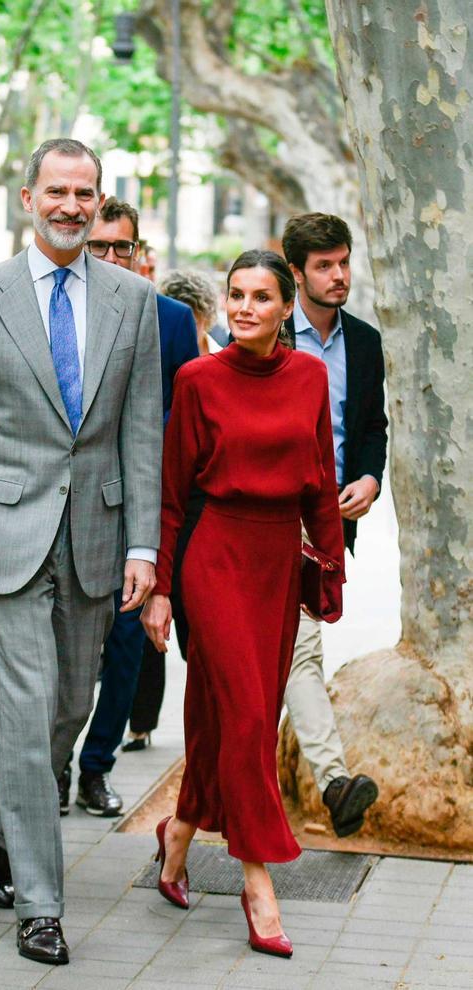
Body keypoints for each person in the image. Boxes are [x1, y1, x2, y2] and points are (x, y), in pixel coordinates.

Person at [0, 139, 162, 967]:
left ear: (99, 201)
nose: (70, 204)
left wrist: (143, 546)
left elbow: (140, 430)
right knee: (24, 717)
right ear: (28, 199)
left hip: (97, 533)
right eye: (56, 190)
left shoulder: (132, 300)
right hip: (5, 533)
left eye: (84, 192)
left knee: (69, 710)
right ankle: (41, 904)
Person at [142, 249, 345, 959]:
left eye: (262, 297)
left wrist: (330, 574)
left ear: (287, 308)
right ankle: (257, 881)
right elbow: (172, 493)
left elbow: (322, 480)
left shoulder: (311, 376)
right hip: (217, 556)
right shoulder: (197, 379)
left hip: (277, 564)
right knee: (253, 716)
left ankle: (178, 840)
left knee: (217, 715)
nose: (245, 308)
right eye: (236, 295)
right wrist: (163, 587)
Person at [68, 199, 198, 816]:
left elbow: (181, 415)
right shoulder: (57, 311)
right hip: (61, 511)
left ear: (140, 252)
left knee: (124, 648)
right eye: (101, 247)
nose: (114, 258)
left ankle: (96, 766)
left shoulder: (169, 317)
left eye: (125, 247)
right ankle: (47, 768)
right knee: (62, 655)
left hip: (133, 509)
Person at [281, 212, 388, 836]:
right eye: (324, 266)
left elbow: (371, 427)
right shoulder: (270, 331)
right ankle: (332, 781)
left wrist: (371, 479)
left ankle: (225, 789)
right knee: (300, 651)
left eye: (344, 262)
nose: (339, 275)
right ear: (298, 274)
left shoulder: (367, 342)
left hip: (329, 528)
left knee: (290, 655)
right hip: (267, 520)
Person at [124, 268, 220, 751]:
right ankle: (142, 721)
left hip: (202, 518)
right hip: (161, 505)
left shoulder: (223, 362)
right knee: (149, 628)